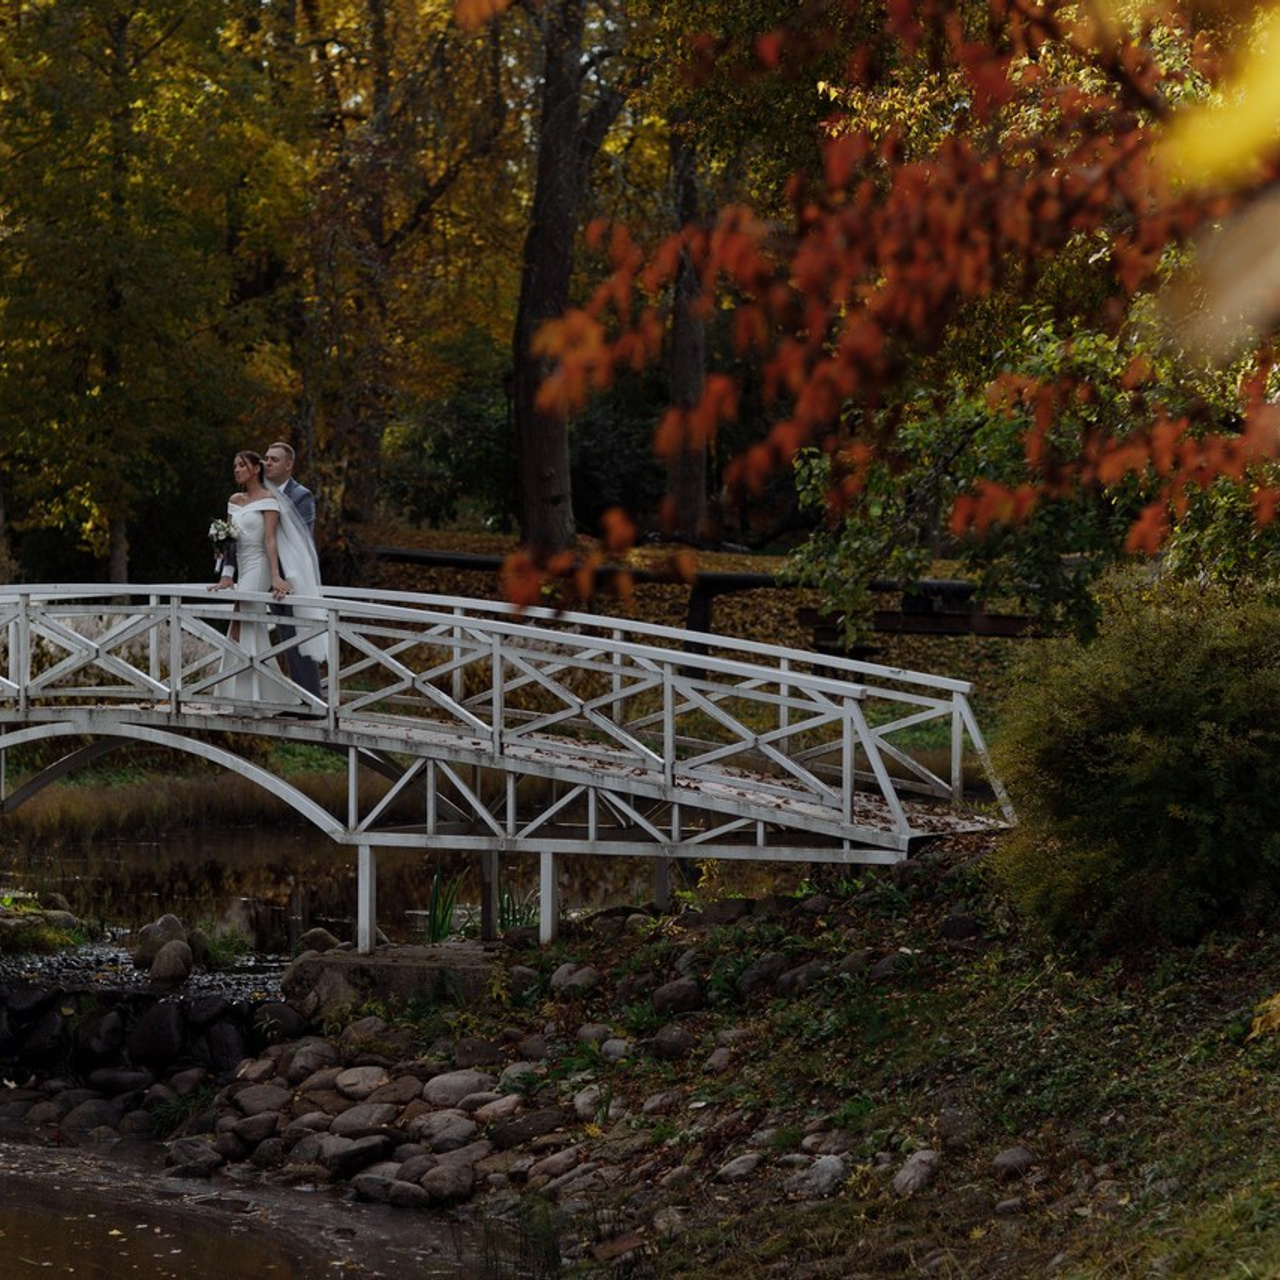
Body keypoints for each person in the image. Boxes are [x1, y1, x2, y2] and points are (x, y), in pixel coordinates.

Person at [216, 441, 324, 701]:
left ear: (289, 465)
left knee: (299, 636)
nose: (268, 463)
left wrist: (280, 576)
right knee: (276, 634)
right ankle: (265, 694)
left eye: (274, 459)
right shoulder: (255, 495)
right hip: (256, 568)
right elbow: (236, 538)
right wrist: (227, 572)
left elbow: (299, 540)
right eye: (265, 458)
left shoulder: (301, 496)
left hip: (289, 575)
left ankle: (311, 699)